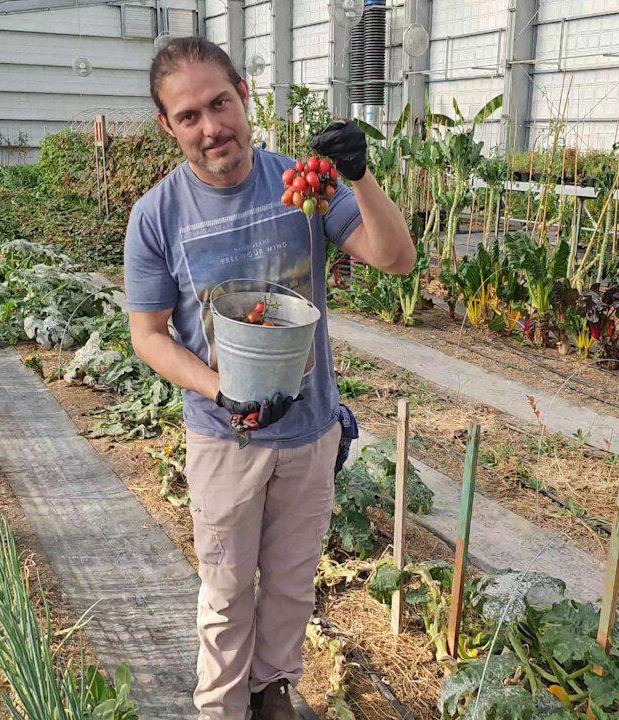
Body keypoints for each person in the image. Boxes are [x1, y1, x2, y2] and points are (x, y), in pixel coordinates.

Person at [124, 37, 414, 720]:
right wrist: (218, 389)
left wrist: (360, 176)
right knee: (226, 594)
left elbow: (396, 260)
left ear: (244, 96)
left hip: (309, 430)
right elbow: (147, 335)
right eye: (189, 115)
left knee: (289, 584)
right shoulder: (157, 216)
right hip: (224, 439)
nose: (211, 127)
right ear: (168, 126)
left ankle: (274, 686)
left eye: (219, 104)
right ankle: (222, 706)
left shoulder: (304, 185)